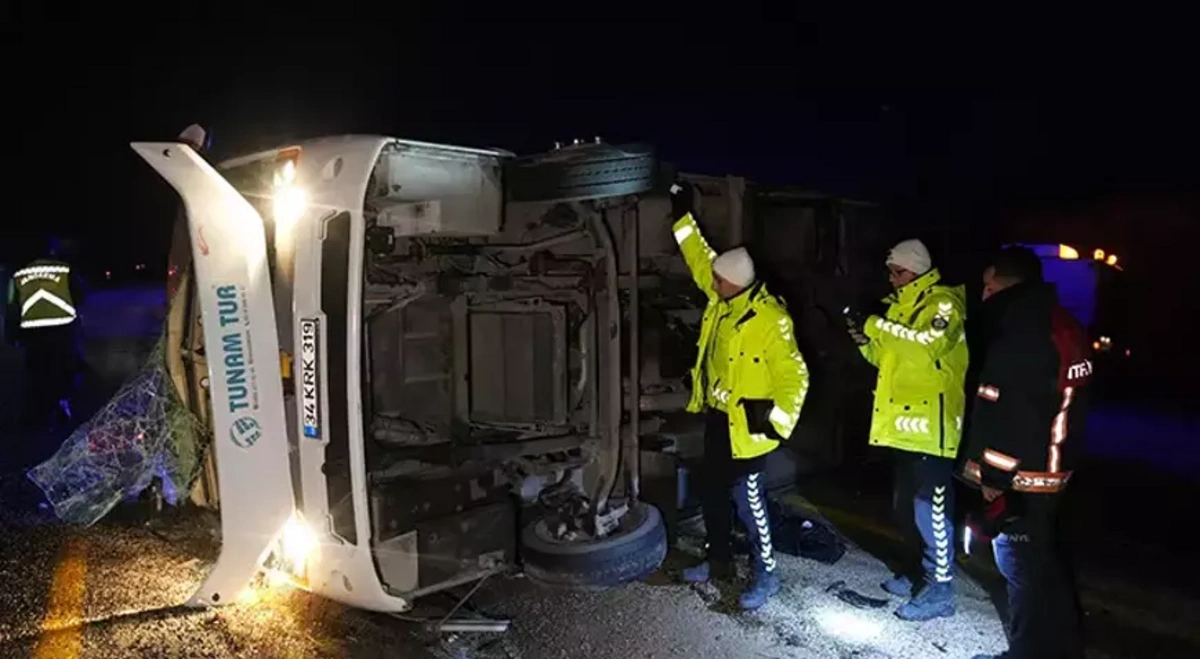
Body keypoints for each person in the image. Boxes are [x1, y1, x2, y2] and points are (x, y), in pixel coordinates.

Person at [671, 181, 811, 611]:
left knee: (748, 501)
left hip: (749, 428)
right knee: (713, 494)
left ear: (735, 283)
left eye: (718, 279)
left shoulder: (771, 319)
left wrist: (776, 423)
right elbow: (699, 256)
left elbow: (796, 375)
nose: (709, 280)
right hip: (718, 417)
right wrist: (681, 215)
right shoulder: (723, 297)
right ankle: (718, 564)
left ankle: (765, 574)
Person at [961, 246, 1091, 659]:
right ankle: (1061, 647)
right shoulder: (1060, 322)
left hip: (1023, 478)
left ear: (1007, 284)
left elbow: (1010, 412)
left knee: (1022, 572)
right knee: (1047, 571)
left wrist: (993, 481)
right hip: (1053, 469)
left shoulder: (1021, 332)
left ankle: (1026, 653)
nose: (983, 295)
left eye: (988, 285)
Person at [847, 238, 969, 621]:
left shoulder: (942, 304)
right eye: (890, 271)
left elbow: (924, 348)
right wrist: (866, 340)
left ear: (916, 269)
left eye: (897, 271)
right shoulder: (901, 307)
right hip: (904, 426)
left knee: (929, 510)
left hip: (932, 429)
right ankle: (917, 572)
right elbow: (888, 359)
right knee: (906, 508)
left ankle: (941, 590)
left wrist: (875, 324)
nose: (892, 278)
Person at [8, 236, 86, 433]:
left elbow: (12, 308)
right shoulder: (65, 270)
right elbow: (81, 295)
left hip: (33, 333)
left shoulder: (18, 276)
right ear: (53, 251)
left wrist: (12, 335)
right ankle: (62, 404)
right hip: (63, 330)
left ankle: (35, 417)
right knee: (68, 368)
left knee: (36, 373)